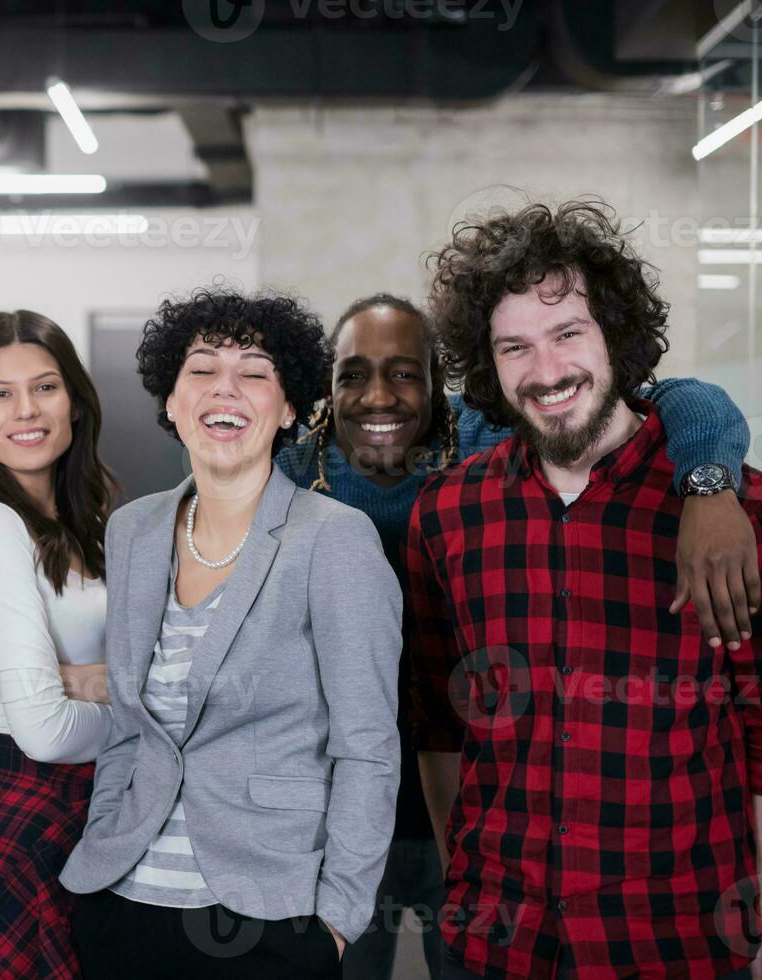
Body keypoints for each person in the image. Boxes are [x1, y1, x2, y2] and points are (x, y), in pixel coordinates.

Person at [275, 294, 753, 980]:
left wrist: (708, 483)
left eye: (405, 372)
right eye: (352, 374)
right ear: (327, 386)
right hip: (335, 817)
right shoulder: (288, 474)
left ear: (440, 379)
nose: (378, 395)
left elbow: (682, 395)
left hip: (484, 811)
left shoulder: (484, 437)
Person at [409, 200, 762, 979]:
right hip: (497, 942)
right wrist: (463, 881)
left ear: (616, 338)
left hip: (676, 941)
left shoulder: (733, 514)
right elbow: (439, 725)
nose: (547, 371)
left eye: (568, 333)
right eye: (515, 348)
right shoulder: (447, 514)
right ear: (489, 367)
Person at [60, 287, 403, 978]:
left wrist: (337, 919)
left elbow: (368, 750)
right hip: (123, 905)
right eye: (202, 368)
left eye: (254, 372)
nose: (226, 389)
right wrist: (104, 839)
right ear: (170, 399)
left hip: (269, 916)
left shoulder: (334, 540)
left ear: (288, 409)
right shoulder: (134, 530)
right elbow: (129, 728)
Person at [0, 310, 118, 979]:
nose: (26, 410)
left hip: (88, 815)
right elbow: (40, 727)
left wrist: (88, 679)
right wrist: (136, 702)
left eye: (45, 387)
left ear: (74, 401)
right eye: (0, 394)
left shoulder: (89, 525)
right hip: (25, 816)